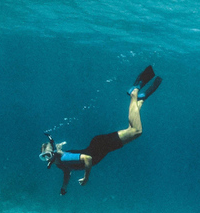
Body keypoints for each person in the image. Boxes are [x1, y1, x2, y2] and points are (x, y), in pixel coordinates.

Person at [40, 65, 162, 195]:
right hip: (102, 147)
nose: (47, 159)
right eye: (43, 157)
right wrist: (64, 187)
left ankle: (135, 93)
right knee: (132, 130)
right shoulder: (60, 163)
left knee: (136, 131)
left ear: (53, 152)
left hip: (101, 145)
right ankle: (139, 101)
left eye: (47, 155)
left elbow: (87, 158)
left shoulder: (64, 158)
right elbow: (67, 172)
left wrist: (86, 177)